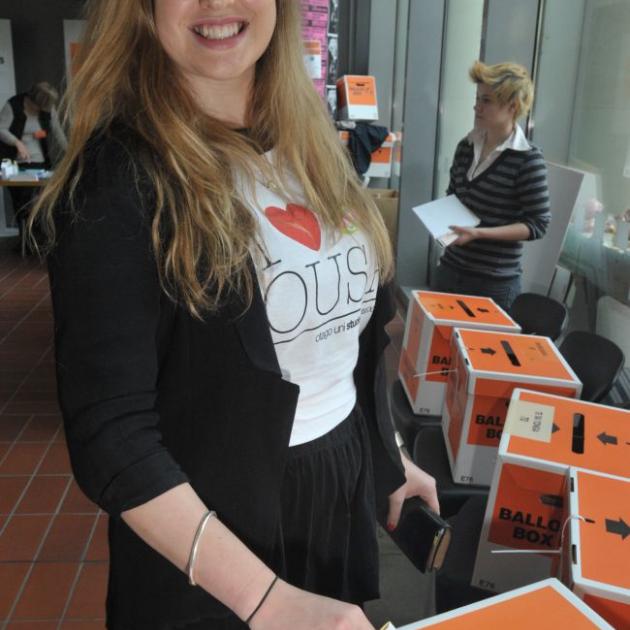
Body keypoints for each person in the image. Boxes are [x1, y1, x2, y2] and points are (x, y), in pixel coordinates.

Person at [28, 1, 438, 629]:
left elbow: (344, 345)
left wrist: (391, 452)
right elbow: (111, 434)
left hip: (338, 492)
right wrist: (265, 600)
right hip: (216, 534)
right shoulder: (116, 182)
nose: (216, 3)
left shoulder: (312, 149)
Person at [432, 61, 551, 310]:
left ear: (512, 106)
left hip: (493, 283)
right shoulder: (466, 146)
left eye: (486, 100)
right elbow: (452, 197)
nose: (477, 106)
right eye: (477, 98)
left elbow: (538, 224)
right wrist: (441, 223)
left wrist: (479, 233)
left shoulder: (528, 159)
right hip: (450, 270)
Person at [0, 81, 67, 249]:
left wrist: (71, 153)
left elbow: (57, 132)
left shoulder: (48, 108)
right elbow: (1, 129)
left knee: (40, 197)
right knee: (22, 199)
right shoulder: (13, 105)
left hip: (38, 160)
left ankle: (39, 237)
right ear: (33, 100)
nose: (42, 111)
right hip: (14, 161)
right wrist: (18, 143)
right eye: (40, 107)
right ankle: (27, 239)